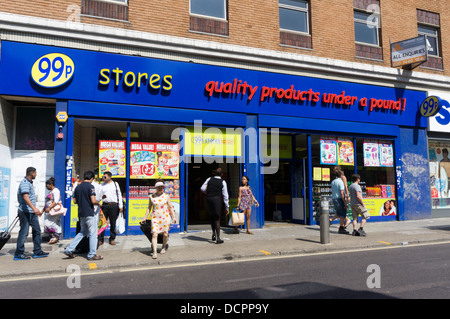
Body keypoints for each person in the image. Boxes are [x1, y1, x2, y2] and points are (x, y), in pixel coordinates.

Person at [64, 170, 103, 260]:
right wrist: (99, 203)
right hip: (89, 213)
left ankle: (69, 249)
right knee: (93, 233)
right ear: (92, 178)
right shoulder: (91, 187)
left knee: (82, 232)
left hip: (81, 213)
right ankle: (92, 254)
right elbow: (93, 201)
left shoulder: (78, 187)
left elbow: (75, 201)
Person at [14, 167, 49, 260]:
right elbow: (25, 197)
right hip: (25, 212)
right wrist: (34, 208)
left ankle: (37, 251)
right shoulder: (24, 183)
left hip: (31, 212)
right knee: (24, 233)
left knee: (37, 231)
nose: (36, 174)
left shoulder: (29, 183)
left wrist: (34, 210)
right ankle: (18, 253)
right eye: (35, 172)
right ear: (31, 173)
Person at [141, 180, 177, 259]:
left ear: (163, 187)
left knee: (165, 234)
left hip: (165, 217)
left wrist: (173, 217)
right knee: (154, 234)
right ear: (156, 188)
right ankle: (154, 252)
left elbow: (170, 207)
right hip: (155, 218)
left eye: (161, 187)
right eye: (158, 187)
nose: (160, 188)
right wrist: (145, 218)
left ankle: (163, 247)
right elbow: (149, 208)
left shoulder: (166, 196)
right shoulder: (151, 197)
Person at [201, 168, 230, 244]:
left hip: (209, 199)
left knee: (212, 217)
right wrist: (227, 207)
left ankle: (213, 233)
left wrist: (208, 192)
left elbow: (202, 188)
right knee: (217, 218)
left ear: (214, 174)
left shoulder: (209, 179)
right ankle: (218, 238)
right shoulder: (223, 182)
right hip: (217, 200)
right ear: (221, 174)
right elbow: (225, 196)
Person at [97, 171, 123, 245]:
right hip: (104, 205)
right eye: (103, 177)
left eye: (105, 177)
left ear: (109, 177)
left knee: (113, 223)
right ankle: (100, 239)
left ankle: (112, 238)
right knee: (102, 223)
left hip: (114, 205)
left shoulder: (115, 184)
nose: (103, 178)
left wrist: (120, 205)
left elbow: (119, 194)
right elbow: (98, 195)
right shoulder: (101, 185)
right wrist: (100, 201)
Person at [43, 177, 62, 244]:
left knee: (49, 224)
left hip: (54, 211)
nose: (46, 187)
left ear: (50, 184)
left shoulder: (56, 191)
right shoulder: (50, 191)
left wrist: (49, 207)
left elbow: (56, 201)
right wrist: (42, 211)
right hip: (49, 211)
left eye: (47, 185)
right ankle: (54, 237)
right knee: (46, 224)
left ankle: (57, 234)